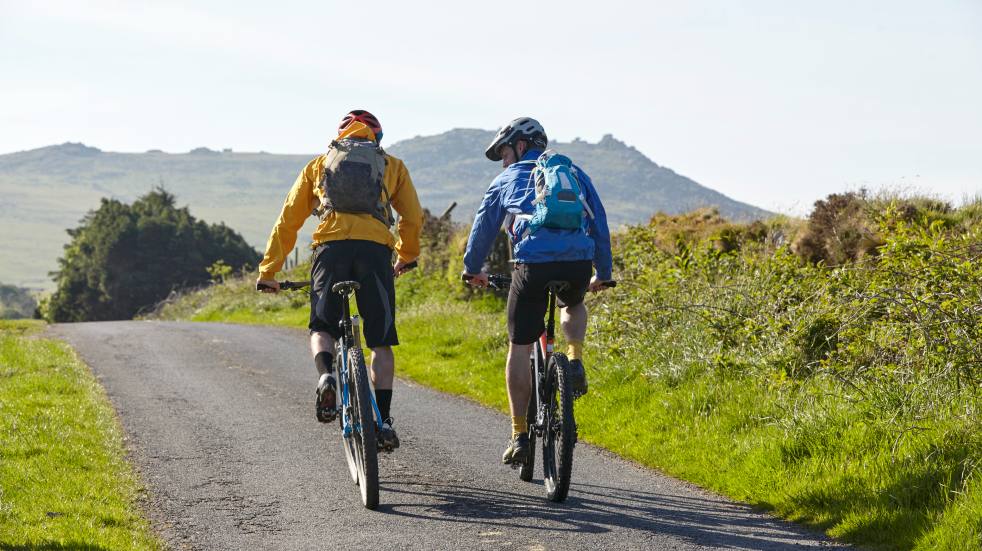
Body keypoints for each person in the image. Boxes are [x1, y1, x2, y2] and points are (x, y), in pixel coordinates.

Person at [256, 109, 423, 449]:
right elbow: (412, 217)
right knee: (380, 342)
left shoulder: (319, 165)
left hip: (330, 250)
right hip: (375, 252)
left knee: (322, 327)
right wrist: (406, 256)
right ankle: (383, 421)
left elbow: (287, 221)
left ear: (339, 138)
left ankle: (327, 375)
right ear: (377, 138)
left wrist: (269, 272)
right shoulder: (392, 166)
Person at [462, 116, 613, 465]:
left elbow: (483, 227)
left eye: (504, 152)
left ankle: (518, 435)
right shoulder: (574, 174)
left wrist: (473, 270)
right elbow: (599, 222)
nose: (503, 161)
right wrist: (602, 272)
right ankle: (573, 360)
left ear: (519, 146)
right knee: (572, 302)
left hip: (531, 265)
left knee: (519, 345)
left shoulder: (506, 179)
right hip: (577, 262)